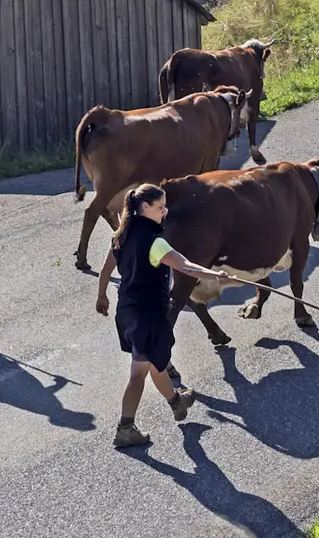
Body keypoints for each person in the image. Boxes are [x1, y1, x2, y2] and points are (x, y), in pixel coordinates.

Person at [94, 183, 236, 449]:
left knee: (154, 361)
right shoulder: (154, 242)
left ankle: (176, 402)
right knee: (139, 372)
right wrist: (215, 274)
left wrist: (102, 295)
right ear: (145, 207)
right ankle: (125, 428)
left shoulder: (120, 235)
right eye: (160, 207)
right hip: (148, 314)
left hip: (127, 311)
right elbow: (184, 266)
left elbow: (106, 270)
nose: (165, 211)